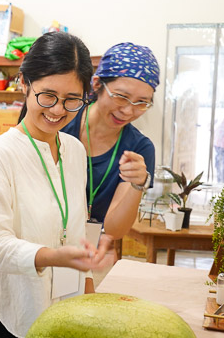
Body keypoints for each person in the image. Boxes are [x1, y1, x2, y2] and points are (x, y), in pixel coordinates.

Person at [0, 32, 115, 338]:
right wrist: (55, 256)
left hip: (51, 310)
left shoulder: (74, 151)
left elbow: (73, 225)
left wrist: (86, 288)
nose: (58, 110)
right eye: (48, 95)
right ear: (24, 85)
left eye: (72, 99)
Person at [61, 42, 158, 242]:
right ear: (97, 84)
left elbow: (114, 230)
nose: (129, 111)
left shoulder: (139, 149)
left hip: (86, 251)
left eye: (142, 103)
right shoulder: (62, 122)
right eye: (121, 97)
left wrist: (138, 185)